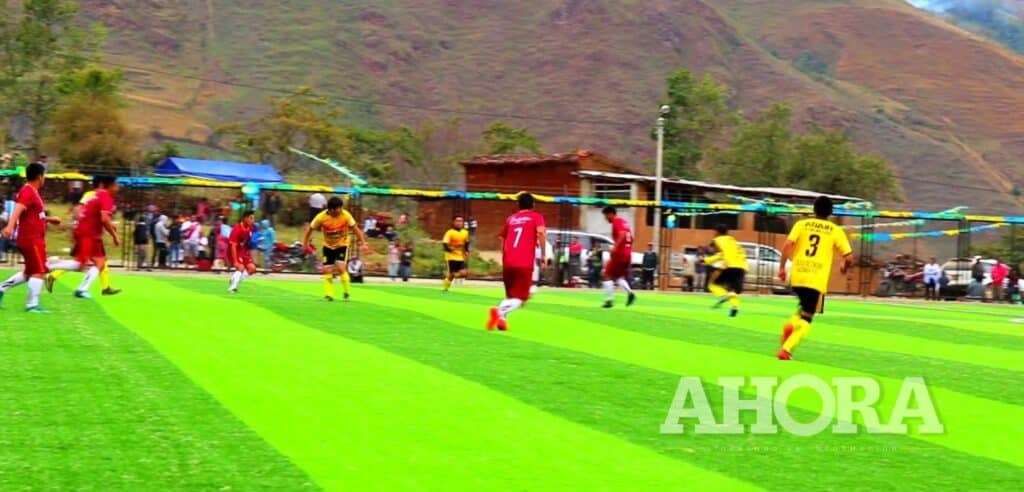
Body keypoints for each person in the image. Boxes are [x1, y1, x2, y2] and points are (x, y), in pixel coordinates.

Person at [777, 196, 854, 361]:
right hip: (816, 278)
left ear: (814, 209)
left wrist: (782, 267)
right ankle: (787, 348)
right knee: (807, 317)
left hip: (797, 274)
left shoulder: (801, 224)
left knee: (803, 307)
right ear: (831, 213)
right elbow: (849, 257)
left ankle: (791, 325)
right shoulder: (835, 230)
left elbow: (787, 245)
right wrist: (843, 267)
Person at [0, 163, 62, 312]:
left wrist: (49, 219)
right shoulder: (28, 191)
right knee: (39, 271)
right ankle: (32, 304)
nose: (44, 178)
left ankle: (1, 289)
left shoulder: (32, 192)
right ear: (40, 177)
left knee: (29, 273)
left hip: (33, 238)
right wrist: (10, 226)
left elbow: (32, 216)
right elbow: (18, 209)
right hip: (31, 238)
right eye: (44, 175)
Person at [48, 175, 123, 298]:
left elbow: (99, 216)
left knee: (99, 262)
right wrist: (114, 235)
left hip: (89, 232)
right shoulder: (103, 196)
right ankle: (50, 265)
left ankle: (86, 288)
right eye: (116, 185)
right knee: (80, 264)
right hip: (88, 233)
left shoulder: (98, 195)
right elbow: (102, 217)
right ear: (105, 185)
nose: (118, 188)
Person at [488, 193, 546, 331]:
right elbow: (541, 233)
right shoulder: (536, 217)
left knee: (511, 295)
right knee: (523, 297)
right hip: (524, 262)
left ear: (518, 205)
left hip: (508, 261)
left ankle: (502, 321)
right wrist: (543, 255)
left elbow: (502, 238)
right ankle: (499, 312)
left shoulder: (511, 219)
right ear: (533, 205)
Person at [303, 196, 369, 301]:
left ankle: (346, 292)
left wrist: (363, 243)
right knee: (326, 270)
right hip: (328, 245)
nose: (341, 210)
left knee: (340, 268)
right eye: (339, 208)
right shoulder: (321, 217)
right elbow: (310, 229)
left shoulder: (346, 215)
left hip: (342, 244)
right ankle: (329, 295)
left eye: (341, 208)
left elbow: (356, 229)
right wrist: (305, 243)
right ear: (331, 209)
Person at [704, 224, 747, 318]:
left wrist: (707, 260)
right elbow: (740, 253)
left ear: (717, 232)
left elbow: (721, 254)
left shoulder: (717, 240)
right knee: (733, 290)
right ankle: (735, 307)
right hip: (742, 267)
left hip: (730, 265)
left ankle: (723, 296)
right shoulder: (733, 241)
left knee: (713, 284)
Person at [600, 206, 636, 308]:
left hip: (619, 255)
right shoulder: (625, 222)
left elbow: (622, 234)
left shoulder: (617, 221)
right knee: (618, 277)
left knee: (606, 274)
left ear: (610, 213)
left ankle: (609, 300)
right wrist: (627, 248)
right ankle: (630, 293)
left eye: (606, 215)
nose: (605, 218)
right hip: (627, 254)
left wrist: (615, 248)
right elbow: (631, 238)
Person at [227, 211, 258, 293]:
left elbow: (246, 243)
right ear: (245, 218)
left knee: (252, 269)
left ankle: (234, 279)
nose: (253, 220)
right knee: (240, 267)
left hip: (243, 251)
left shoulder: (250, 228)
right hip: (234, 251)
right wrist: (235, 261)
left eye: (253, 218)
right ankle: (232, 288)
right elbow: (233, 246)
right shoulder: (237, 229)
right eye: (251, 218)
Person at [442, 215, 471, 293]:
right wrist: (449, 249)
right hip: (451, 256)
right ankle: (445, 289)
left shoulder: (465, 232)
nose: (459, 223)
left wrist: (467, 251)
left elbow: (467, 242)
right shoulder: (450, 232)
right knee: (452, 274)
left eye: (461, 221)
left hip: (460, 256)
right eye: (457, 221)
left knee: (464, 273)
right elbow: (445, 243)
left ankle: (447, 279)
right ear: (453, 222)